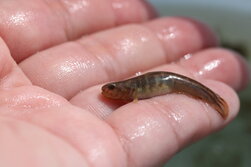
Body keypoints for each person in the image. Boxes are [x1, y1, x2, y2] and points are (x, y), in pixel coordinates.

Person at [0, 0, 249, 166]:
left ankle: (212, 99)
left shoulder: (130, 90)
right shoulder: (127, 91)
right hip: (167, 81)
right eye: (110, 89)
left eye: (111, 89)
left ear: (124, 90)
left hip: (171, 81)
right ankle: (212, 99)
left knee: (197, 90)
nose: (106, 92)